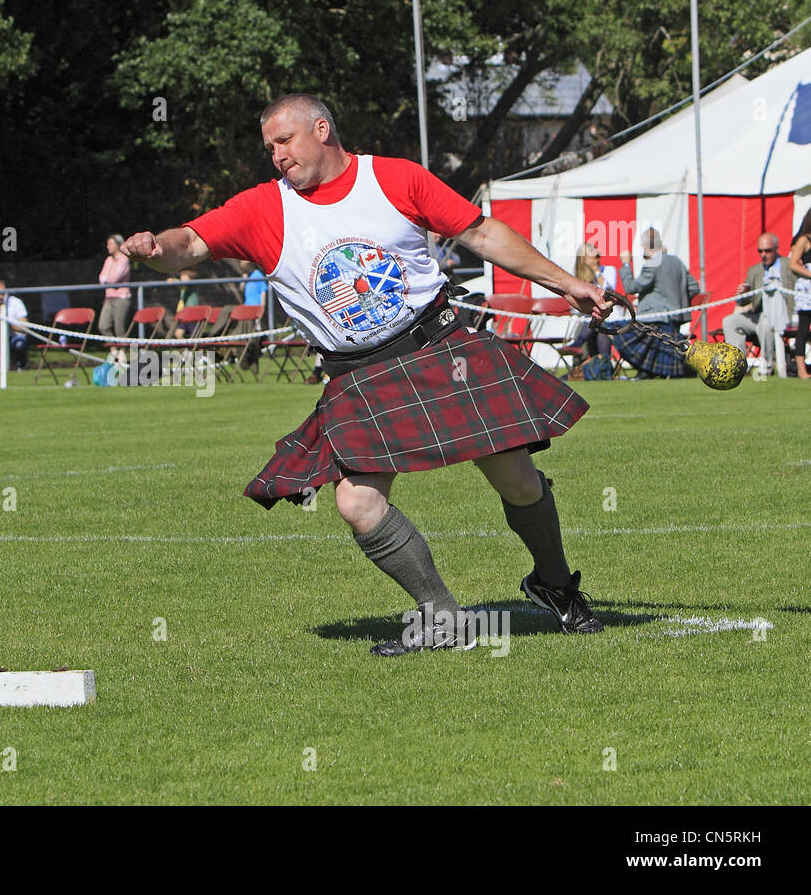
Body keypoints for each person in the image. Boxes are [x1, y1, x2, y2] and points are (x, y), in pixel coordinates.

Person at [120, 93, 612, 655]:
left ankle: (554, 584)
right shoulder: (263, 209)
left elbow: (481, 233)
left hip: (439, 348)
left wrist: (565, 282)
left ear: (322, 129)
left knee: (518, 479)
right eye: (269, 148)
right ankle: (442, 616)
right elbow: (190, 243)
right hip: (358, 375)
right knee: (356, 503)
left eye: (284, 141)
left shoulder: (396, 179)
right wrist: (155, 248)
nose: (277, 156)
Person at [614, 230, 700, 379]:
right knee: (661, 350)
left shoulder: (654, 262)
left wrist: (626, 264)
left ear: (646, 247)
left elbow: (631, 288)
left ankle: (645, 371)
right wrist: (677, 302)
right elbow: (694, 288)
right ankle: (647, 372)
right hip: (674, 319)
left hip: (654, 319)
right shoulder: (677, 261)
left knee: (617, 331)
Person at [722, 232, 795, 372]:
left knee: (766, 322)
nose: (763, 254)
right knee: (729, 321)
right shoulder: (754, 271)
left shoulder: (788, 265)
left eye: (767, 250)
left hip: (784, 314)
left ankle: (767, 367)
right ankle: (737, 367)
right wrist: (742, 295)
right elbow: (744, 302)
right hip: (759, 315)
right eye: (760, 251)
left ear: (776, 248)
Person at [561, 243, 619, 362]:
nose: (598, 259)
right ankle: (600, 365)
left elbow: (609, 292)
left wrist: (597, 272)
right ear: (584, 259)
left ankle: (579, 345)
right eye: (594, 257)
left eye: (598, 256)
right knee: (595, 326)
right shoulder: (577, 277)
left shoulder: (608, 270)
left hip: (606, 317)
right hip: (586, 319)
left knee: (600, 326)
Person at [789, 210, 811, 379]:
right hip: (807, 290)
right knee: (803, 328)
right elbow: (793, 264)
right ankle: (801, 369)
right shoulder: (804, 240)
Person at [98, 234, 132, 344]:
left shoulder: (124, 259)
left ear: (118, 245)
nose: (108, 246)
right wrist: (107, 280)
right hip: (109, 298)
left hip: (121, 298)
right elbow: (101, 278)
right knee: (103, 326)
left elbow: (114, 279)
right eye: (108, 244)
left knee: (119, 330)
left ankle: (122, 357)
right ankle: (114, 352)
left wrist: (107, 280)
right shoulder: (108, 260)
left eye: (111, 243)